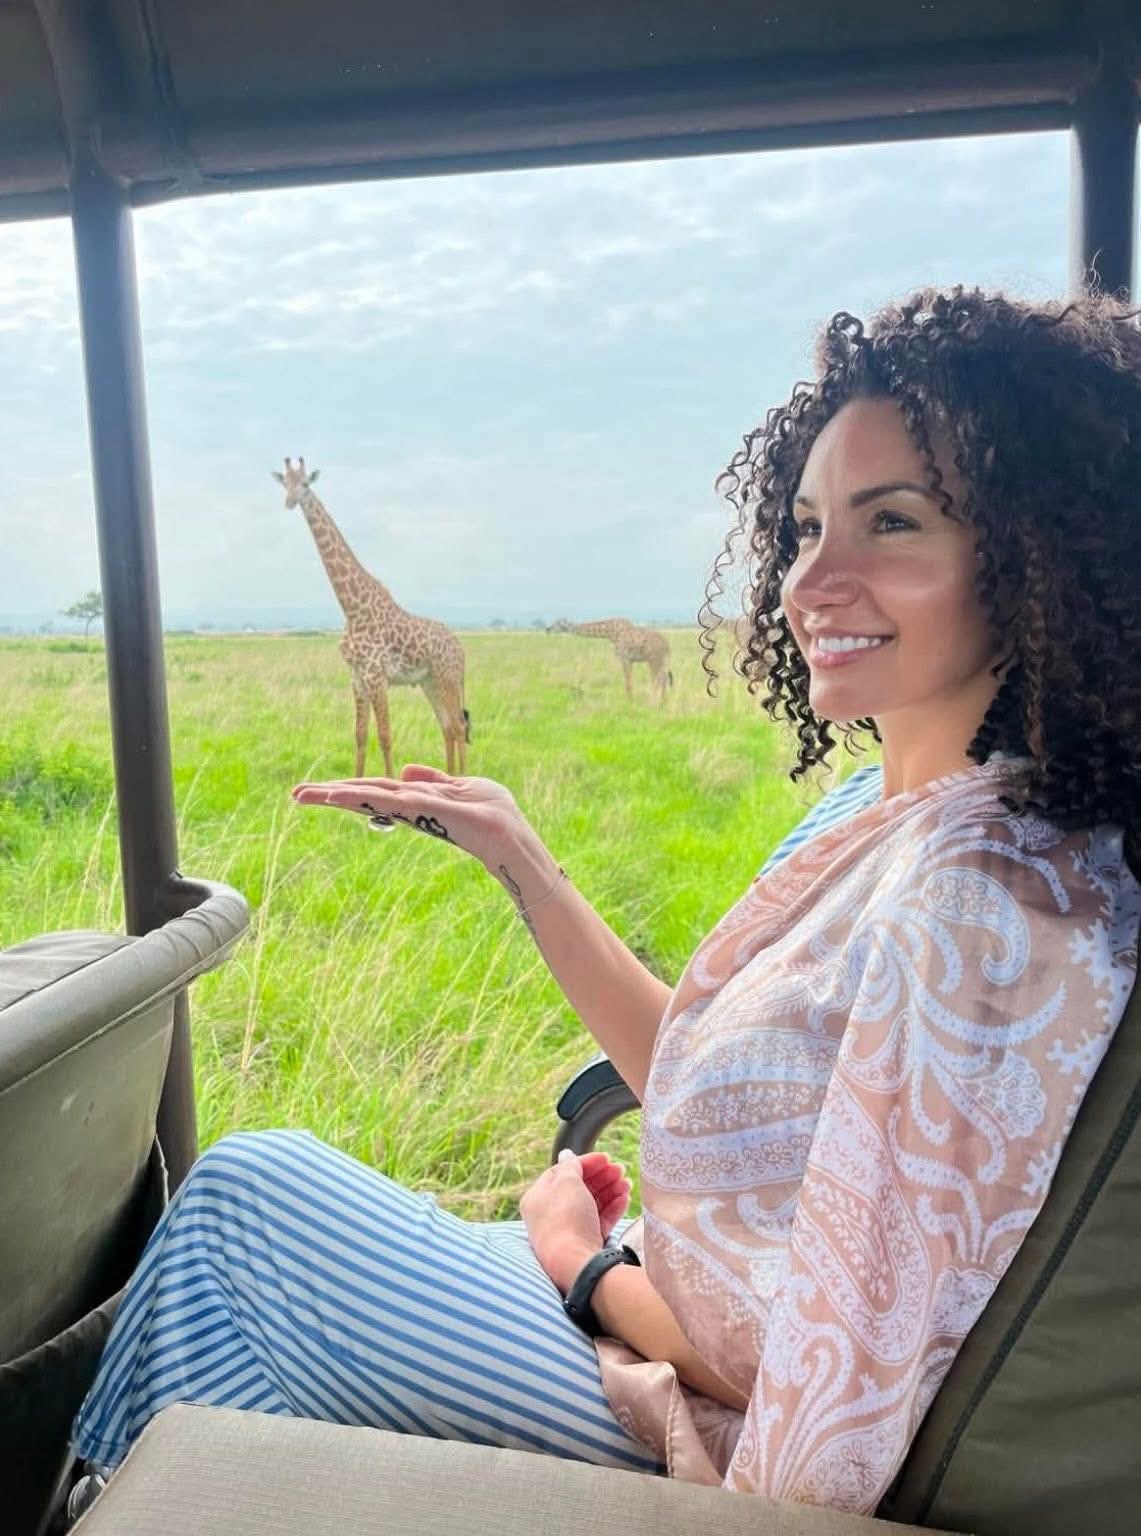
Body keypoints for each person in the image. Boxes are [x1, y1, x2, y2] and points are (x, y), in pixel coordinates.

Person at [72, 287, 1140, 1515]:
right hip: (661, 1288)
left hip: (691, 1396)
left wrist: (579, 1266)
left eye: (891, 523)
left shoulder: (980, 905)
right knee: (261, 1196)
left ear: (1040, 553)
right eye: (804, 529)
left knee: (246, 1210)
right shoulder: (883, 808)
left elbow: (821, 1374)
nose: (812, 581)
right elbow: (698, 1069)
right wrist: (523, 860)